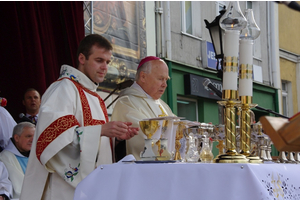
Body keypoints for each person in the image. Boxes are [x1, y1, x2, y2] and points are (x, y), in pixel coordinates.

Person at [19, 34, 139, 200]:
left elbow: (97, 142)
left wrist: (116, 138)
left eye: (108, 62)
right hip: (64, 189)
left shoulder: (95, 97)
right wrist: (101, 130)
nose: (105, 67)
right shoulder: (63, 89)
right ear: (82, 58)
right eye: (99, 60)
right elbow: (52, 138)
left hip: (95, 188)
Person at [111, 56, 176, 161]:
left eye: (166, 80)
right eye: (160, 79)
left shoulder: (163, 106)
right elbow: (143, 138)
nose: (165, 85)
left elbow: (178, 131)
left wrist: (195, 132)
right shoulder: (127, 102)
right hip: (141, 170)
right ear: (143, 77)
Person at [0, 122, 35, 199]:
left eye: (35, 136)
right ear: (16, 138)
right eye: (28, 136)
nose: (33, 140)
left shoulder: (37, 155)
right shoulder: (4, 158)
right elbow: (20, 188)